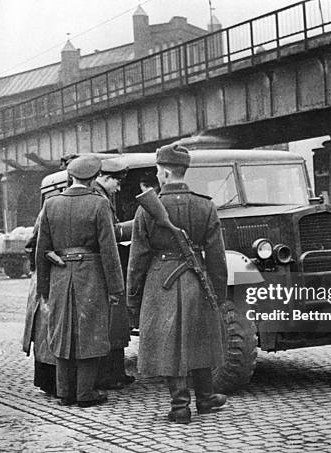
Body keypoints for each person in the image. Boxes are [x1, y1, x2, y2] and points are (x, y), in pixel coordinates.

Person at [127, 144, 227, 424]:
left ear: (166, 172)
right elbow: (217, 257)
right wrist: (217, 294)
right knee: (200, 336)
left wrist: (132, 298)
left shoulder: (146, 210)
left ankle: (180, 406)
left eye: (158, 171)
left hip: (162, 281)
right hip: (197, 279)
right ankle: (205, 398)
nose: (157, 176)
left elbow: (138, 259)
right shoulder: (205, 205)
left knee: (171, 342)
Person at [36, 155, 124, 406]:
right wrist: (116, 287)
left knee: (62, 332)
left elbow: (42, 249)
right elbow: (109, 250)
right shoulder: (99, 204)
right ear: (94, 178)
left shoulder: (51, 204)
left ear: (71, 176)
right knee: (91, 331)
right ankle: (85, 393)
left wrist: (44, 288)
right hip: (91, 276)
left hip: (60, 277)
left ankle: (65, 393)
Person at [91, 158, 134, 390]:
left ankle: (116, 373)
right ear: (105, 178)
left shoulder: (102, 196)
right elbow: (109, 235)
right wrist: (135, 225)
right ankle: (110, 376)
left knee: (114, 324)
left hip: (105, 267)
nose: (118, 188)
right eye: (116, 182)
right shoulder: (100, 200)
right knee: (110, 323)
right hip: (106, 269)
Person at [22, 212, 56, 396]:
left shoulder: (46, 211)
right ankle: (50, 382)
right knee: (46, 330)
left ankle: (47, 381)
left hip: (43, 276)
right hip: (47, 277)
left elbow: (30, 246)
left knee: (45, 331)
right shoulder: (48, 213)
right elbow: (32, 246)